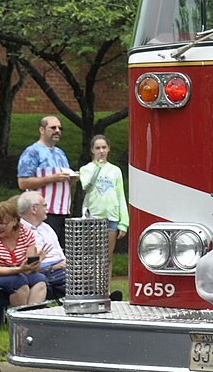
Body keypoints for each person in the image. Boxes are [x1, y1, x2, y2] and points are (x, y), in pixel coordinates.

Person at [0, 198, 48, 308]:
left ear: (14, 221)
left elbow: (29, 267)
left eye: (2, 224)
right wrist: (20, 269)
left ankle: (31, 316)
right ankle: (19, 320)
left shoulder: (25, 233)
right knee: (18, 281)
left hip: (19, 273)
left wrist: (36, 262)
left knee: (40, 278)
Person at [17, 115, 76, 244]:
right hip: (43, 211)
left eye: (60, 128)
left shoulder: (61, 153)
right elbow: (23, 182)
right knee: (47, 249)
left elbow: (61, 182)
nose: (57, 131)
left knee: (62, 250)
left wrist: (71, 179)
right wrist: (51, 179)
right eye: (53, 127)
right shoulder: (32, 152)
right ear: (42, 130)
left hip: (63, 211)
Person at [80, 134, 130, 258]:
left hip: (111, 217)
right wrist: (97, 168)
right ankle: (92, 278)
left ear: (108, 149)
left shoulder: (115, 170)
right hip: (93, 217)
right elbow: (87, 188)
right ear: (92, 150)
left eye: (104, 147)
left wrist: (124, 222)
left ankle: (107, 278)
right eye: (97, 148)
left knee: (107, 257)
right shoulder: (86, 169)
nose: (101, 151)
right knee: (92, 257)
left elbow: (120, 196)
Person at [17, 191, 67, 299]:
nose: (47, 209)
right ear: (33, 209)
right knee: (80, 280)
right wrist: (51, 267)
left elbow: (60, 254)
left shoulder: (47, 228)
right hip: (42, 271)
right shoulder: (19, 231)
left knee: (90, 271)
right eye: (44, 206)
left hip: (61, 270)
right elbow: (25, 264)